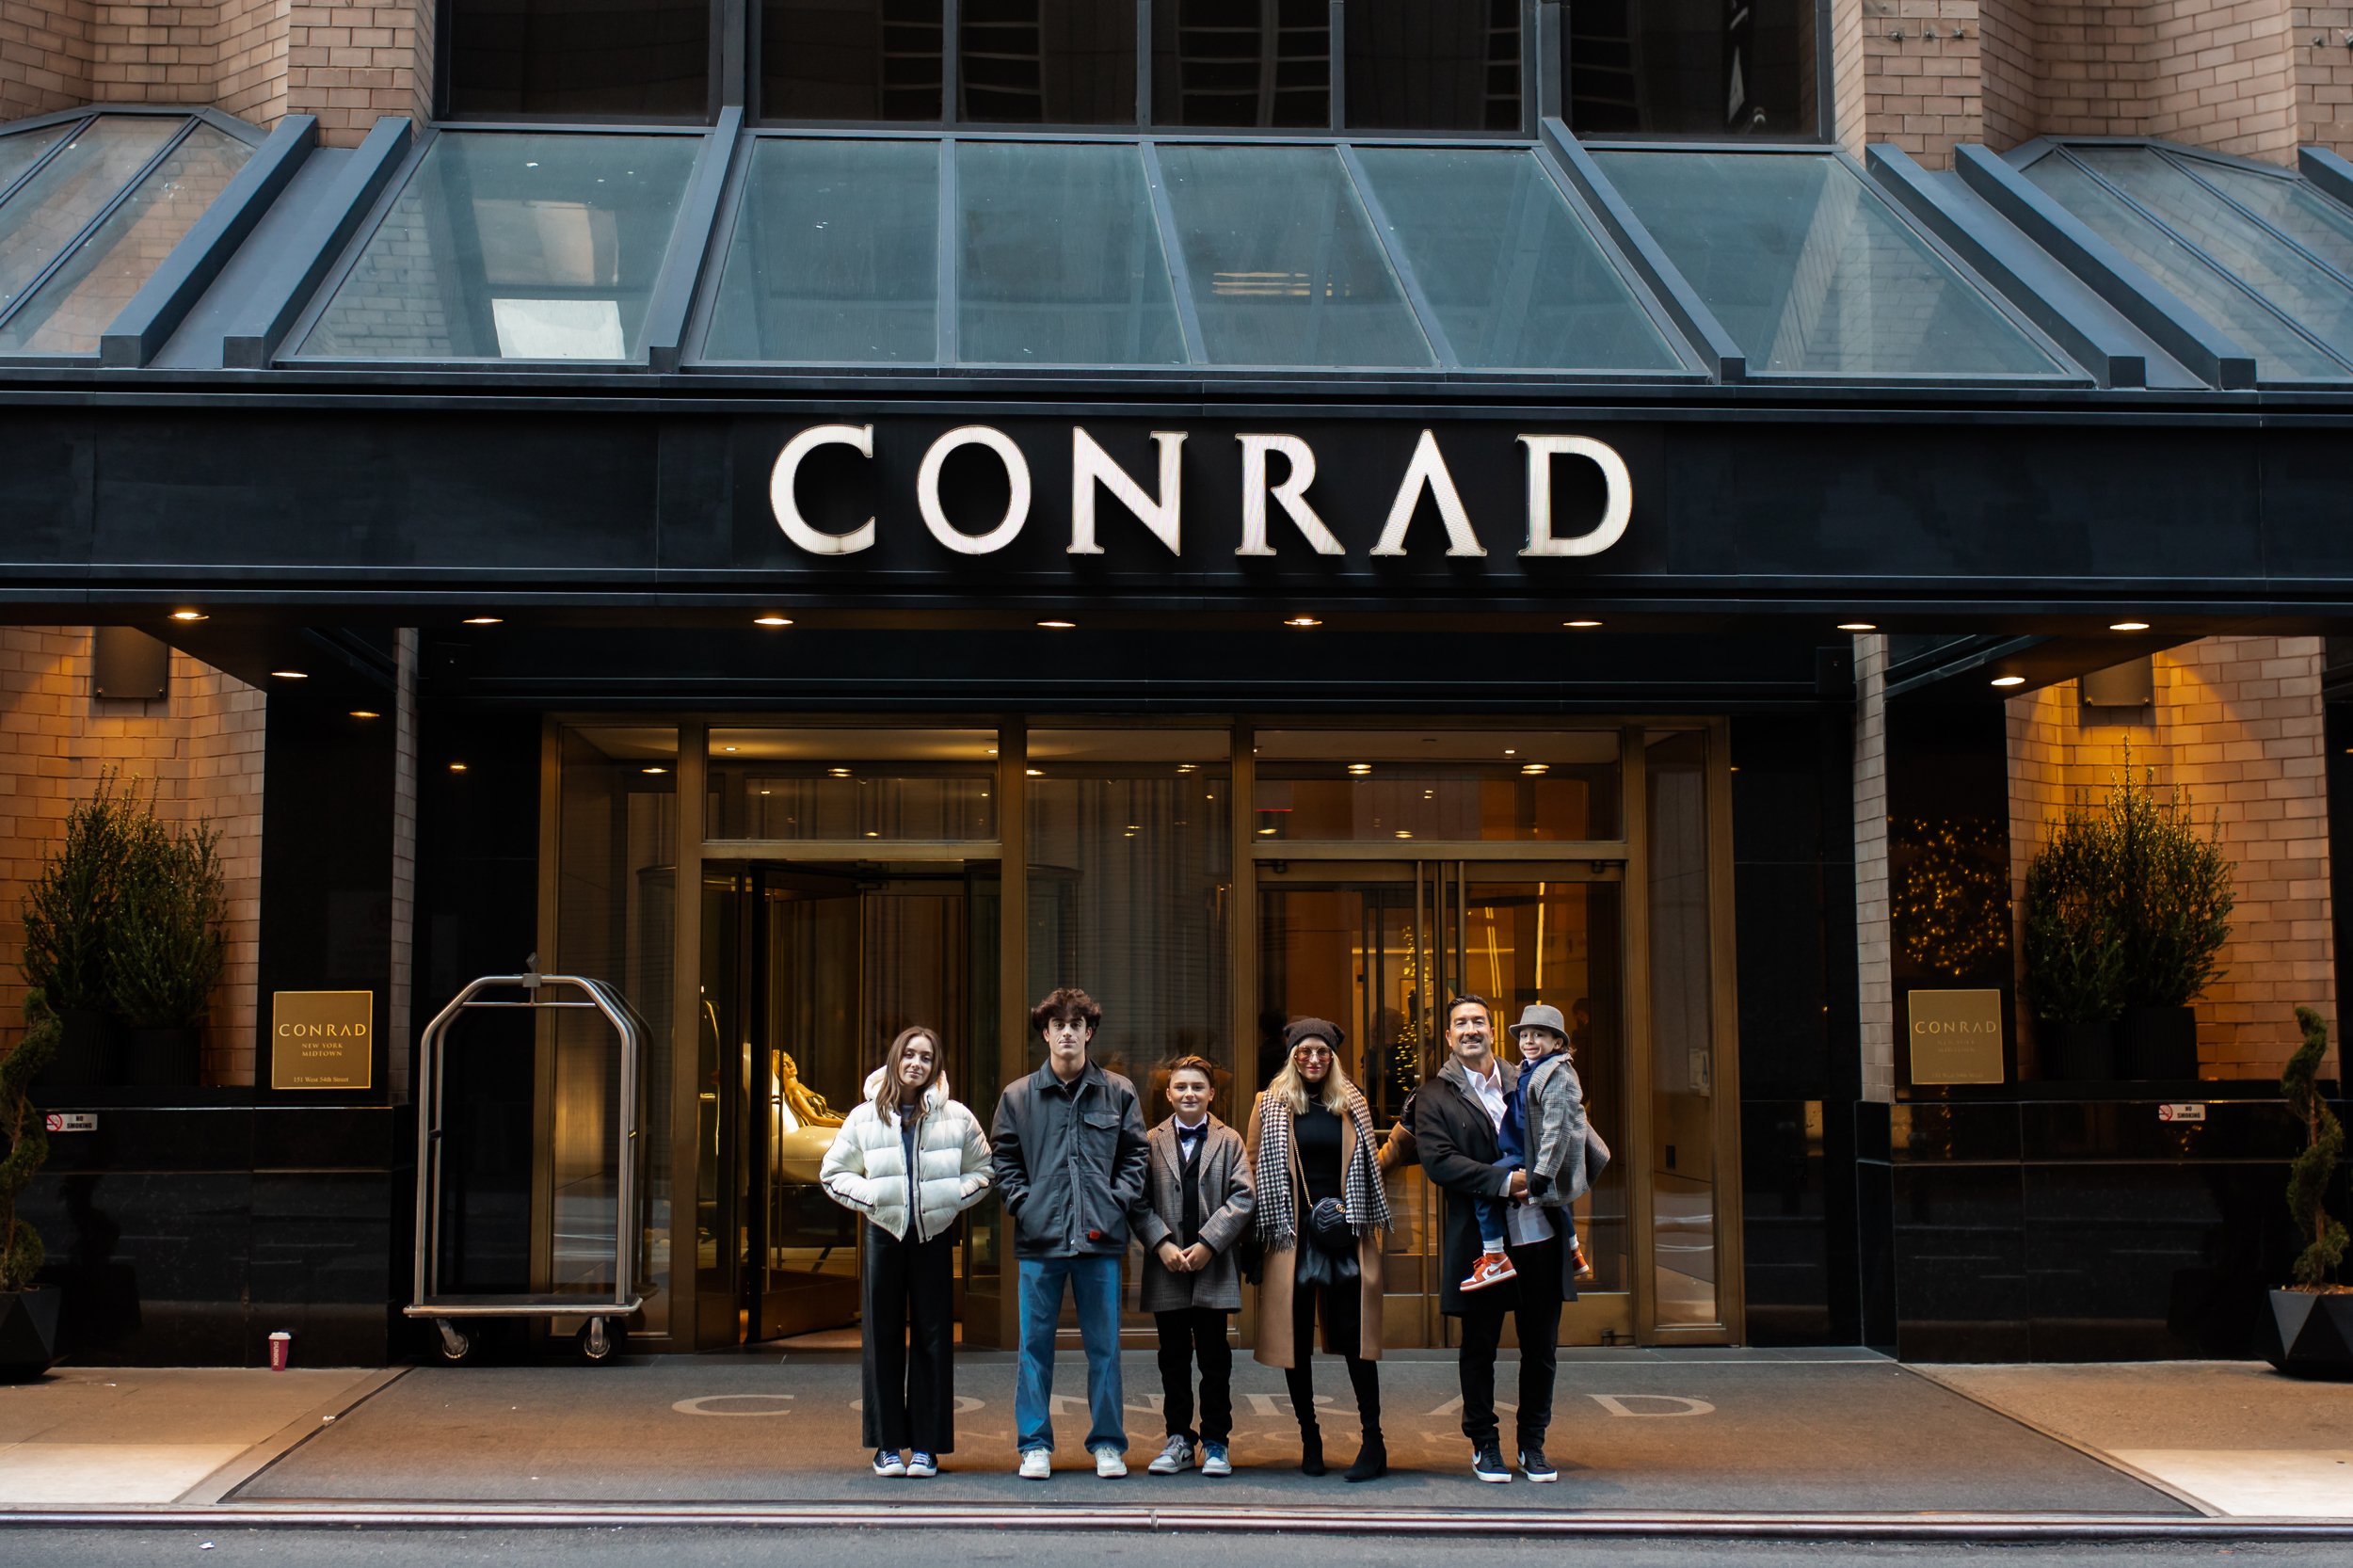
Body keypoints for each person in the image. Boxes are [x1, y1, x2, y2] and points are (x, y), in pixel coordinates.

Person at [1412, 994, 1582, 1486]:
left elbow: (1566, 1129)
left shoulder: (1532, 1076)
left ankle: (1533, 1443)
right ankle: (1485, 1444)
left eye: (1479, 1022)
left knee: (1541, 1348)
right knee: (1480, 1345)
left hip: (1540, 1236)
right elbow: (1439, 1161)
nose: (1471, 1029)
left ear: (1493, 1029)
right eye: (1460, 1023)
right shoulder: (1434, 1096)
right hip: (1482, 1244)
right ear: (1448, 1037)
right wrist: (1507, 1182)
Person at [818, 1025, 994, 1479]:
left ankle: (927, 1448)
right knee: (883, 1338)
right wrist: (873, 1199)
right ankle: (888, 1445)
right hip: (884, 1235)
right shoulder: (864, 1116)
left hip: (934, 1237)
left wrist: (950, 1198)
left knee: (935, 1339)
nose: (917, 1063)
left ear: (936, 1066)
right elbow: (834, 1172)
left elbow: (984, 1169)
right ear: (896, 1058)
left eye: (927, 1057)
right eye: (910, 1054)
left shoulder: (956, 1116)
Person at [991, 985, 1150, 1480]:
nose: (1066, 1032)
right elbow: (1004, 1159)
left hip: (1100, 1242)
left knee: (1104, 1347)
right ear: (1045, 1033)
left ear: (1089, 1033)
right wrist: (1026, 1205)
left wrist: (1114, 1202)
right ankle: (1034, 1445)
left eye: (1075, 1024)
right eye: (1057, 1024)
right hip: (1040, 1241)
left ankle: (1107, 1443)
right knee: (1033, 1347)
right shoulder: (1018, 1096)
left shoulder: (1119, 1091)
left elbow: (1136, 1157)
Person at [1247, 1017, 1392, 1483]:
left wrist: (1354, 1211)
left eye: (1322, 1052)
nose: (1313, 1059)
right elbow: (1251, 1169)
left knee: (1356, 1341)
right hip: (1292, 1235)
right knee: (1296, 1343)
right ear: (1292, 1056)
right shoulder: (1269, 1105)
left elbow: (1371, 1163)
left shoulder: (1352, 1104)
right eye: (1305, 1051)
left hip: (1347, 1233)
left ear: (1333, 1057)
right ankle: (1310, 1438)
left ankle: (1374, 1442)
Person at [1134, 1055, 1256, 1478]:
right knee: (1172, 1357)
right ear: (1168, 1094)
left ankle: (1217, 1441)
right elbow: (1137, 1199)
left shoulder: (1230, 1140)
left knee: (1214, 1356)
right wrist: (1160, 1242)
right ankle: (1179, 1439)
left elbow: (1243, 1197)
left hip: (1212, 1266)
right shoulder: (1150, 1141)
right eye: (1181, 1087)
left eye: (1197, 1087)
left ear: (1211, 1093)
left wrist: (1208, 1243)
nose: (1189, 1094)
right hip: (1166, 1266)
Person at [1460, 1003, 1593, 1293]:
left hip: (1528, 1154)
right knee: (1553, 1203)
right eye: (1524, 1036)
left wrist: (1541, 1175)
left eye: (1539, 1036)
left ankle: (1495, 1257)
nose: (1529, 1042)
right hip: (1523, 1150)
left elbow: (1556, 1130)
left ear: (1557, 1043)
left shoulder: (1557, 1075)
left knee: (1486, 1184)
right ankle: (1573, 1249)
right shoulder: (1530, 1069)